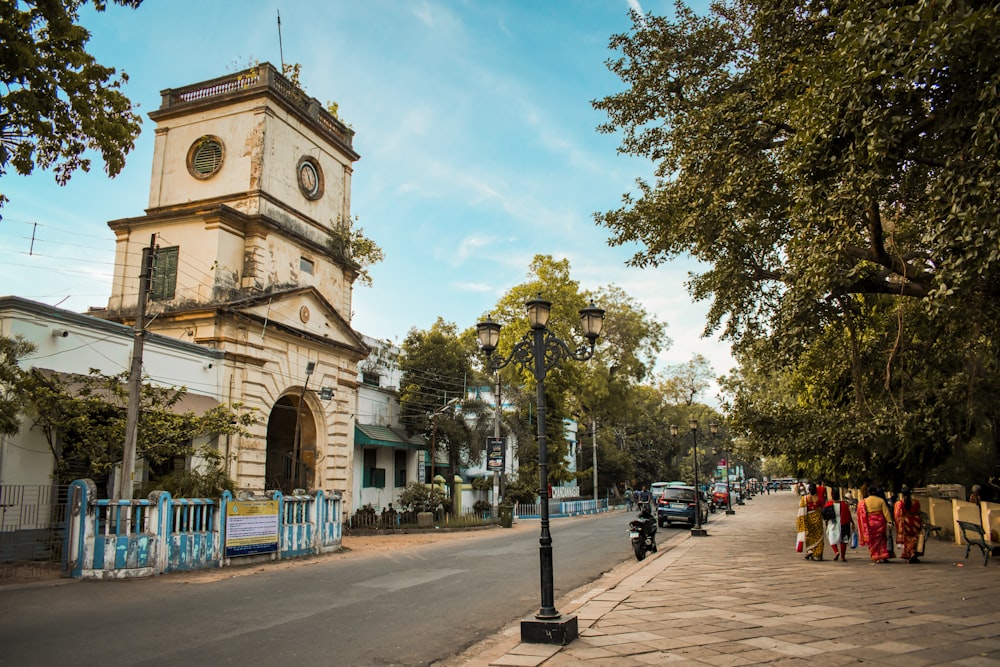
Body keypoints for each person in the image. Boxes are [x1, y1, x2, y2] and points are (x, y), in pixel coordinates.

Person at [858, 485, 894, 563]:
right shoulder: (881, 500)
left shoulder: (864, 501)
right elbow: (886, 512)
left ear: (868, 492)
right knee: (882, 539)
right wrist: (889, 521)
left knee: (873, 540)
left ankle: (876, 556)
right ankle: (884, 555)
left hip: (870, 523)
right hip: (880, 523)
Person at [824, 488, 855, 562]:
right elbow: (848, 515)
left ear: (832, 496)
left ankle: (836, 551)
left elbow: (825, 516)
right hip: (844, 523)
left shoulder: (828, 504)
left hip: (833, 523)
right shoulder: (844, 505)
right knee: (843, 540)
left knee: (831, 538)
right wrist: (852, 523)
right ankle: (843, 556)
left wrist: (826, 524)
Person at [893, 486, 923, 563]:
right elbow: (919, 513)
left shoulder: (899, 503)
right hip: (916, 522)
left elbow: (897, 515)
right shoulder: (916, 502)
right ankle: (913, 553)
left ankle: (911, 553)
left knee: (907, 539)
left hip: (906, 522)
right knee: (915, 538)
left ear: (902, 494)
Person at [796, 483, 825, 561]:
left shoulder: (805, 499)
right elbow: (822, 509)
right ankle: (818, 555)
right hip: (818, 520)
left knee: (809, 536)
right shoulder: (819, 499)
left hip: (808, 520)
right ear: (816, 490)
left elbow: (801, 509)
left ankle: (810, 550)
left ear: (808, 490)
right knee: (818, 537)